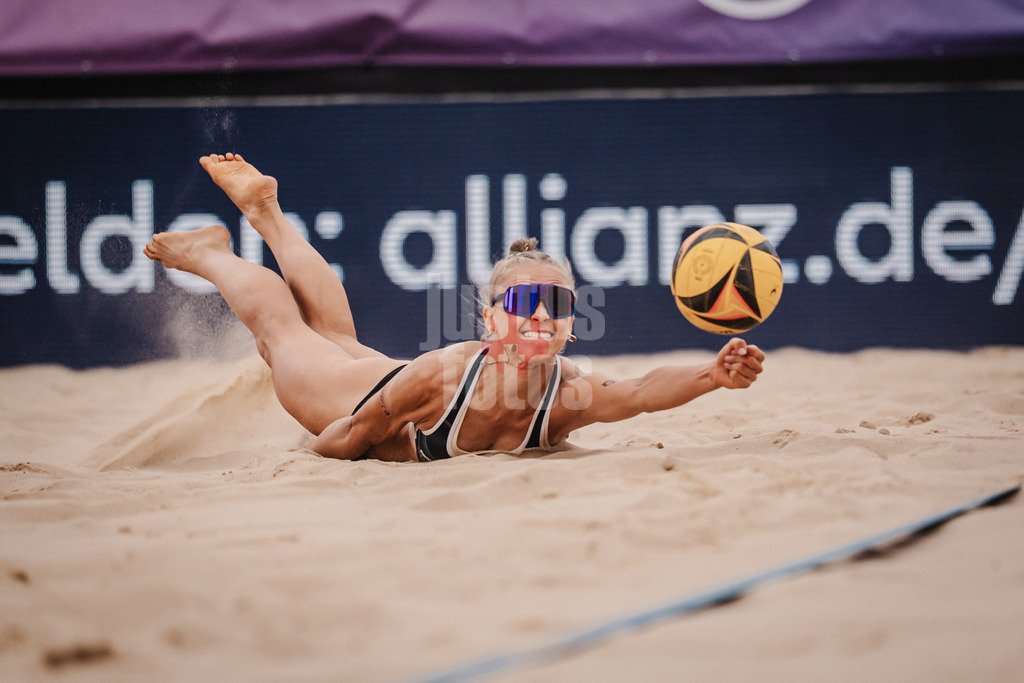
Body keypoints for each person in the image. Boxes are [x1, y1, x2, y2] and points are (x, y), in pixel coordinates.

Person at [144, 153, 765, 462]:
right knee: (283, 330)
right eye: (523, 302)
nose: (540, 316)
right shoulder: (441, 376)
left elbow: (640, 390)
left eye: (557, 303)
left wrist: (714, 375)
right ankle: (211, 253)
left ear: (573, 322)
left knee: (333, 327)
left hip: (382, 375)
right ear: (491, 320)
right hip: (345, 394)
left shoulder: (567, 394)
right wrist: (301, 456)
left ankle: (265, 212)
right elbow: (352, 436)